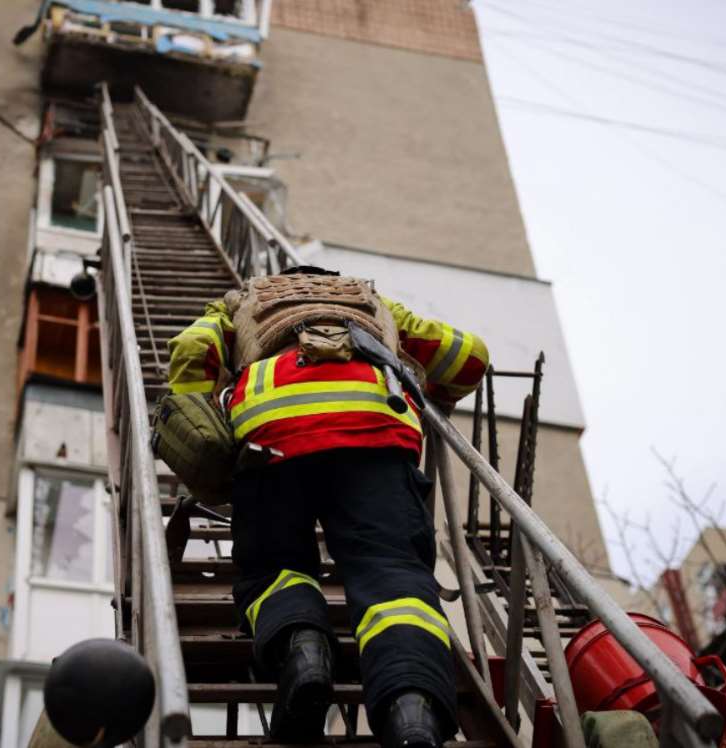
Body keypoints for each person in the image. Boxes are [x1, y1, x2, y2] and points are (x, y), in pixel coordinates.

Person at [167, 267, 488, 748]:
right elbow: (468, 358)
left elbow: (191, 350)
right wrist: (434, 391)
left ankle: (306, 651)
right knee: (393, 576)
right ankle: (411, 714)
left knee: (273, 566)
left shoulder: (240, 304)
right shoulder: (373, 305)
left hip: (270, 433)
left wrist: (202, 421)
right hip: (374, 427)